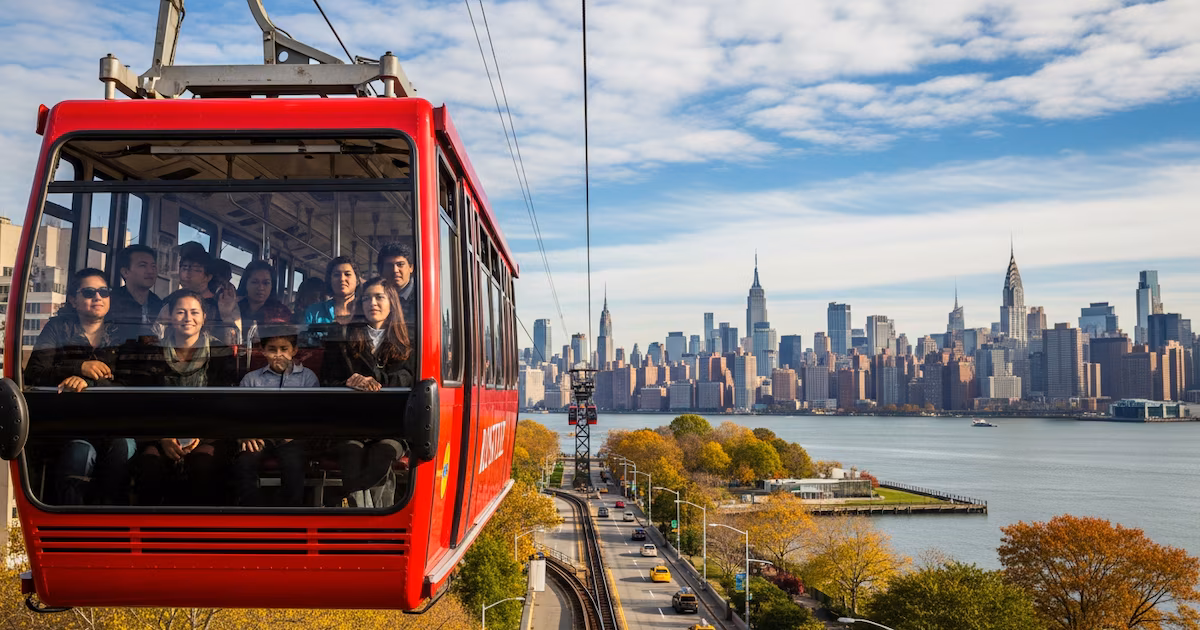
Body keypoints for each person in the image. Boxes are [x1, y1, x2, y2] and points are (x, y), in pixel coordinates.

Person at [25, 268, 134, 505]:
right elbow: (34, 373)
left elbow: (132, 380)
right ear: (73, 300)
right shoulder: (57, 329)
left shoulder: (124, 333)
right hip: (72, 423)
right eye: (89, 292)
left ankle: (110, 520)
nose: (98, 298)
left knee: (122, 449)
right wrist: (78, 367)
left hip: (115, 422)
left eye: (103, 292)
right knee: (78, 455)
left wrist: (90, 382)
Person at [131, 290, 239, 506]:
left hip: (208, 432)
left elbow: (225, 403)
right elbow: (144, 402)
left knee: (203, 465)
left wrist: (199, 433)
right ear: (170, 316)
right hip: (160, 432)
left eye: (194, 312)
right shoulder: (152, 352)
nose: (188, 318)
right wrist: (163, 436)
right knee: (150, 464)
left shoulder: (221, 353)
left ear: (204, 317)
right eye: (181, 312)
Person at [320, 277, 413, 506]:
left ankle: (365, 511)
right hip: (351, 424)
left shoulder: (408, 341)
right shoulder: (342, 339)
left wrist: (374, 381)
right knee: (351, 452)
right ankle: (369, 513)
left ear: (391, 302)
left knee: (383, 452)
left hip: (393, 426)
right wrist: (349, 382)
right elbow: (326, 381)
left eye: (379, 297)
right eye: (366, 299)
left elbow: (408, 378)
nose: (372, 303)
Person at [233, 324, 317, 506]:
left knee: (294, 464)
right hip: (260, 435)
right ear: (262, 351)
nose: (278, 354)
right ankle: (252, 510)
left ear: (294, 350)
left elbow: (311, 412)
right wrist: (245, 435)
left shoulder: (307, 378)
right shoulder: (251, 379)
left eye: (284, 349)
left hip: (292, 437)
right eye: (272, 349)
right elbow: (240, 413)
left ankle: (290, 512)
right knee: (245, 461)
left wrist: (296, 432)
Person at [108, 244, 163, 342]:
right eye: (143, 265)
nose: (150, 271)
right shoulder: (111, 302)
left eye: (153, 266)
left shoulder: (158, 303)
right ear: (125, 272)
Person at [304, 256, 361, 325]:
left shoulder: (367, 309)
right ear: (330, 281)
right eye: (336, 275)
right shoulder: (314, 312)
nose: (342, 279)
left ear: (357, 280)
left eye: (347, 274)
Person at [238, 260, 291, 329]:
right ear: (245, 284)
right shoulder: (234, 307)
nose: (260, 288)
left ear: (272, 286)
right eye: (255, 282)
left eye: (266, 283)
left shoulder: (281, 312)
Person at [377, 242, 416, 333]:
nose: (395, 270)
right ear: (380, 270)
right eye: (389, 265)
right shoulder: (372, 296)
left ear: (411, 268)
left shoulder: (423, 297)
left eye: (400, 264)